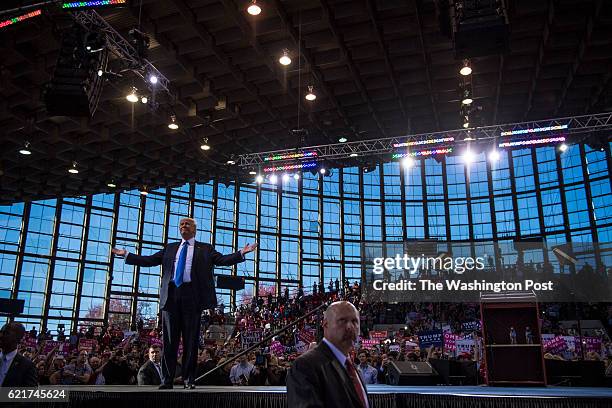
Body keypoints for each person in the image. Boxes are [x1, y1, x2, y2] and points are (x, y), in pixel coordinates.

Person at [112, 217, 257, 389]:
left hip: (192, 297)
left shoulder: (205, 248)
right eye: (181, 224)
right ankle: (167, 380)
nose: (183, 226)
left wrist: (241, 253)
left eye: (187, 224)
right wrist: (127, 255)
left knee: (191, 341)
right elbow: (149, 260)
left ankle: (189, 379)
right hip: (171, 296)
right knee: (169, 341)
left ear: (194, 229)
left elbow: (222, 260)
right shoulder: (170, 248)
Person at [287, 301, 369, 408]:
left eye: (354, 321)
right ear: (325, 324)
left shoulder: (354, 370)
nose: (350, 326)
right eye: (342, 320)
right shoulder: (305, 366)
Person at [0, 322, 38, 387]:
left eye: (6, 333)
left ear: (18, 339)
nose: (1, 335)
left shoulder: (27, 366)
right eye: (0, 332)